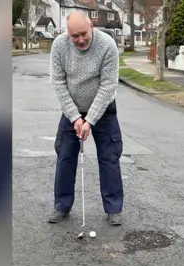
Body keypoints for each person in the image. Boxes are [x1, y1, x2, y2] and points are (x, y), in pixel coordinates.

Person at [48, 11, 124, 226]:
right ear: (67, 33)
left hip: (103, 109)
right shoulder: (60, 46)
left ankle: (113, 208)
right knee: (65, 156)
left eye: (83, 34)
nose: (80, 40)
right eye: (74, 36)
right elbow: (58, 83)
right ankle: (61, 206)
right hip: (72, 109)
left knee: (109, 157)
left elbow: (108, 86)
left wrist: (89, 120)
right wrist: (75, 117)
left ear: (92, 26)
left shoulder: (107, 44)